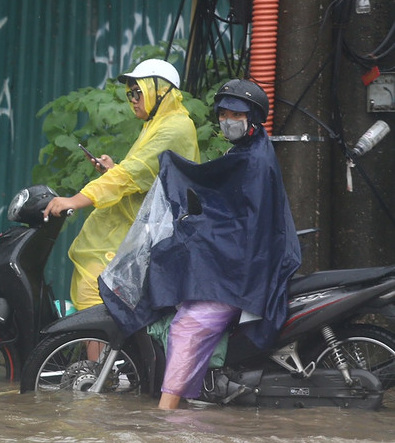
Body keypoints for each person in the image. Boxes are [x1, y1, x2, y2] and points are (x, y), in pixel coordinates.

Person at [101, 80, 300, 409]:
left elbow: (241, 222)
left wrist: (178, 176)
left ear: (252, 119)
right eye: (223, 113)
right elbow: (225, 204)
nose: (227, 120)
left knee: (188, 327)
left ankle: (168, 414)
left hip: (242, 269)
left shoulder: (253, 162)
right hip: (236, 260)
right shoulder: (246, 152)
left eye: (236, 114)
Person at [44, 58, 200, 310]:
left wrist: (75, 200)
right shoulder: (156, 124)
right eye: (130, 94)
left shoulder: (175, 128)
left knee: (95, 299)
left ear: (160, 91)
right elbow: (144, 174)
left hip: (144, 237)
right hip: (133, 232)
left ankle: (103, 351)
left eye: (138, 92)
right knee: (92, 300)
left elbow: (129, 176)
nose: (133, 100)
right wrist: (113, 170)